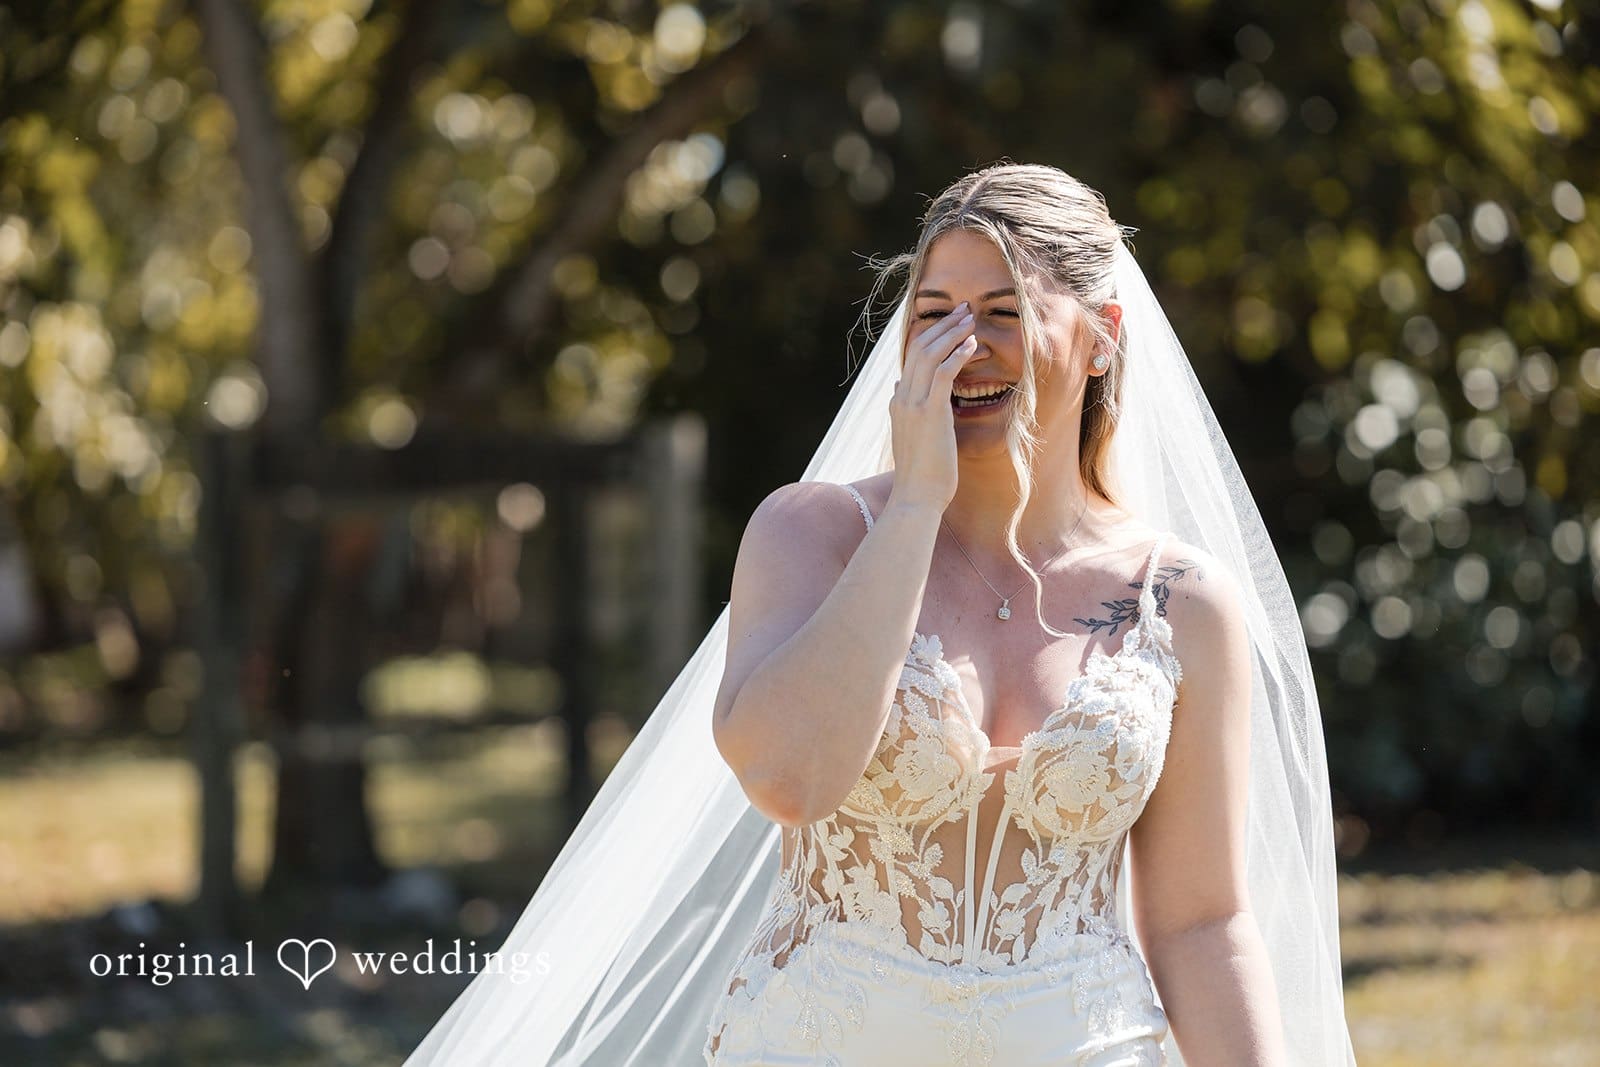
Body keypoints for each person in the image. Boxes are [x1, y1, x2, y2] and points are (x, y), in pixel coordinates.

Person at [403, 163, 1356, 1067]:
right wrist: (915, 508)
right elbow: (789, 778)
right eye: (935, 314)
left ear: (1103, 335)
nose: (964, 347)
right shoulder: (809, 536)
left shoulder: (1180, 602)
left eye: (1005, 312)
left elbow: (1201, 922)